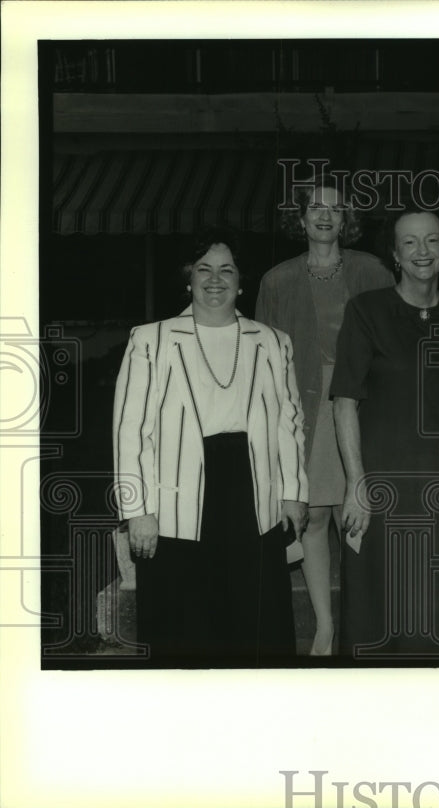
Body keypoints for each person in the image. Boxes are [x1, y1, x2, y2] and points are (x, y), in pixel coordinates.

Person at [113, 227, 308, 665]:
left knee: (252, 622)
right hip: (176, 499)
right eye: (204, 269)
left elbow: (289, 422)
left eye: (227, 270)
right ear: (188, 279)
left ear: (242, 281)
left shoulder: (274, 342)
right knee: (185, 624)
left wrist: (294, 493)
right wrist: (136, 509)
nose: (215, 279)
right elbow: (130, 429)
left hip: (253, 492)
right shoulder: (150, 339)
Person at [331, 203, 439, 661]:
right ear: (395, 253)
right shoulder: (366, 312)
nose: (422, 251)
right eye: (410, 241)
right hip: (382, 492)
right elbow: (345, 401)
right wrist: (356, 484)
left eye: (432, 240)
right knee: (377, 611)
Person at [256, 172, 394, 656]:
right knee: (313, 515)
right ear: (301, 218)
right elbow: (263, 363)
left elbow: (393, 343)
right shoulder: (277, 280)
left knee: (354, 515)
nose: (324, 214)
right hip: (305, 409)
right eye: (315, 207)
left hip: (360, 406)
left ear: (346, 220)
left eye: (335, 208)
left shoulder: (373, 271)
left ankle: (361, 623)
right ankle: (325, 625)